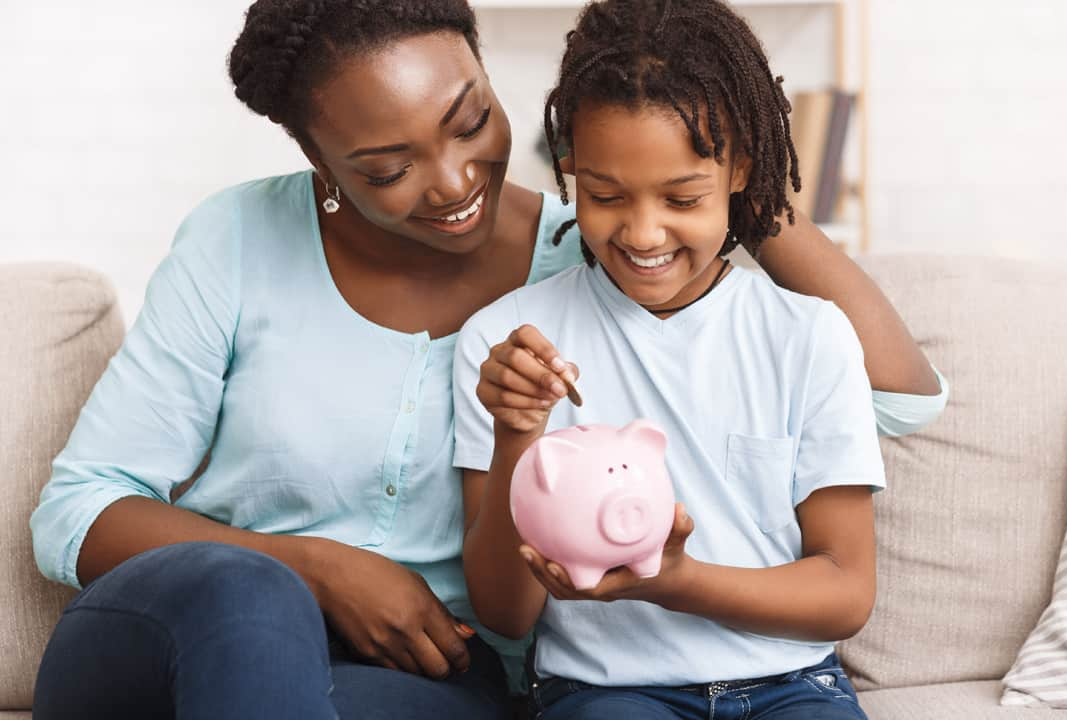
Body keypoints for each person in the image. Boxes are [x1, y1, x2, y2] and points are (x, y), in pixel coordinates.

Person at [29, 1, 943, 719]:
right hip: (182, 630)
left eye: (470, 122)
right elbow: (78, 512)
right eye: (387, 169)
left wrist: (726, 148)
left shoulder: (590, 250)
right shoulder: (236, 239)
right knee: (250, 594)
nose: (457, 180)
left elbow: (894, 398)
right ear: (318, 159)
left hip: (418, 674)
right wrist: (314, 566)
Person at [455, 1, 946, 719]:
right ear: (569, 173)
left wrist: (675, 580)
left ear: (741, 170)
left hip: (792, 688)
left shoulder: (808, 335)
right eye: (604, 195)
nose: (643, 231)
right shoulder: (511, 341)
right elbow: (505, 613)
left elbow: (845, 594)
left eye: (683, 197)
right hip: (608, 691)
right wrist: (515, 435)